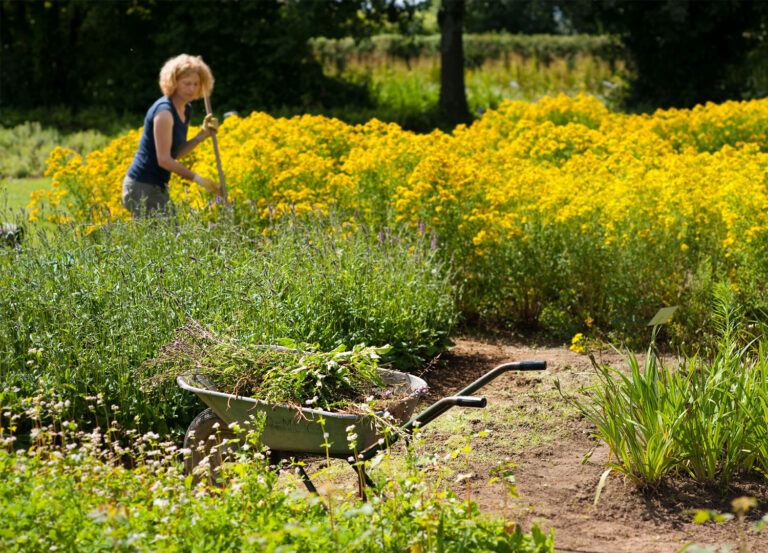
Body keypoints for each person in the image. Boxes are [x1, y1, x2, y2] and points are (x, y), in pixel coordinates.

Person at [123, 54, 221, 217]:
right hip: (141, 186)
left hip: (157, 185)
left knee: (170, 236)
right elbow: (164, 160)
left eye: (196, 84)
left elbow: (175, 154)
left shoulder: (186, 109)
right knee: (169, 237)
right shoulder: (164, 112)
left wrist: (201, 136)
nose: (192, 89)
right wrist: (198, 179)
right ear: (173, 82)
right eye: (187, 83)